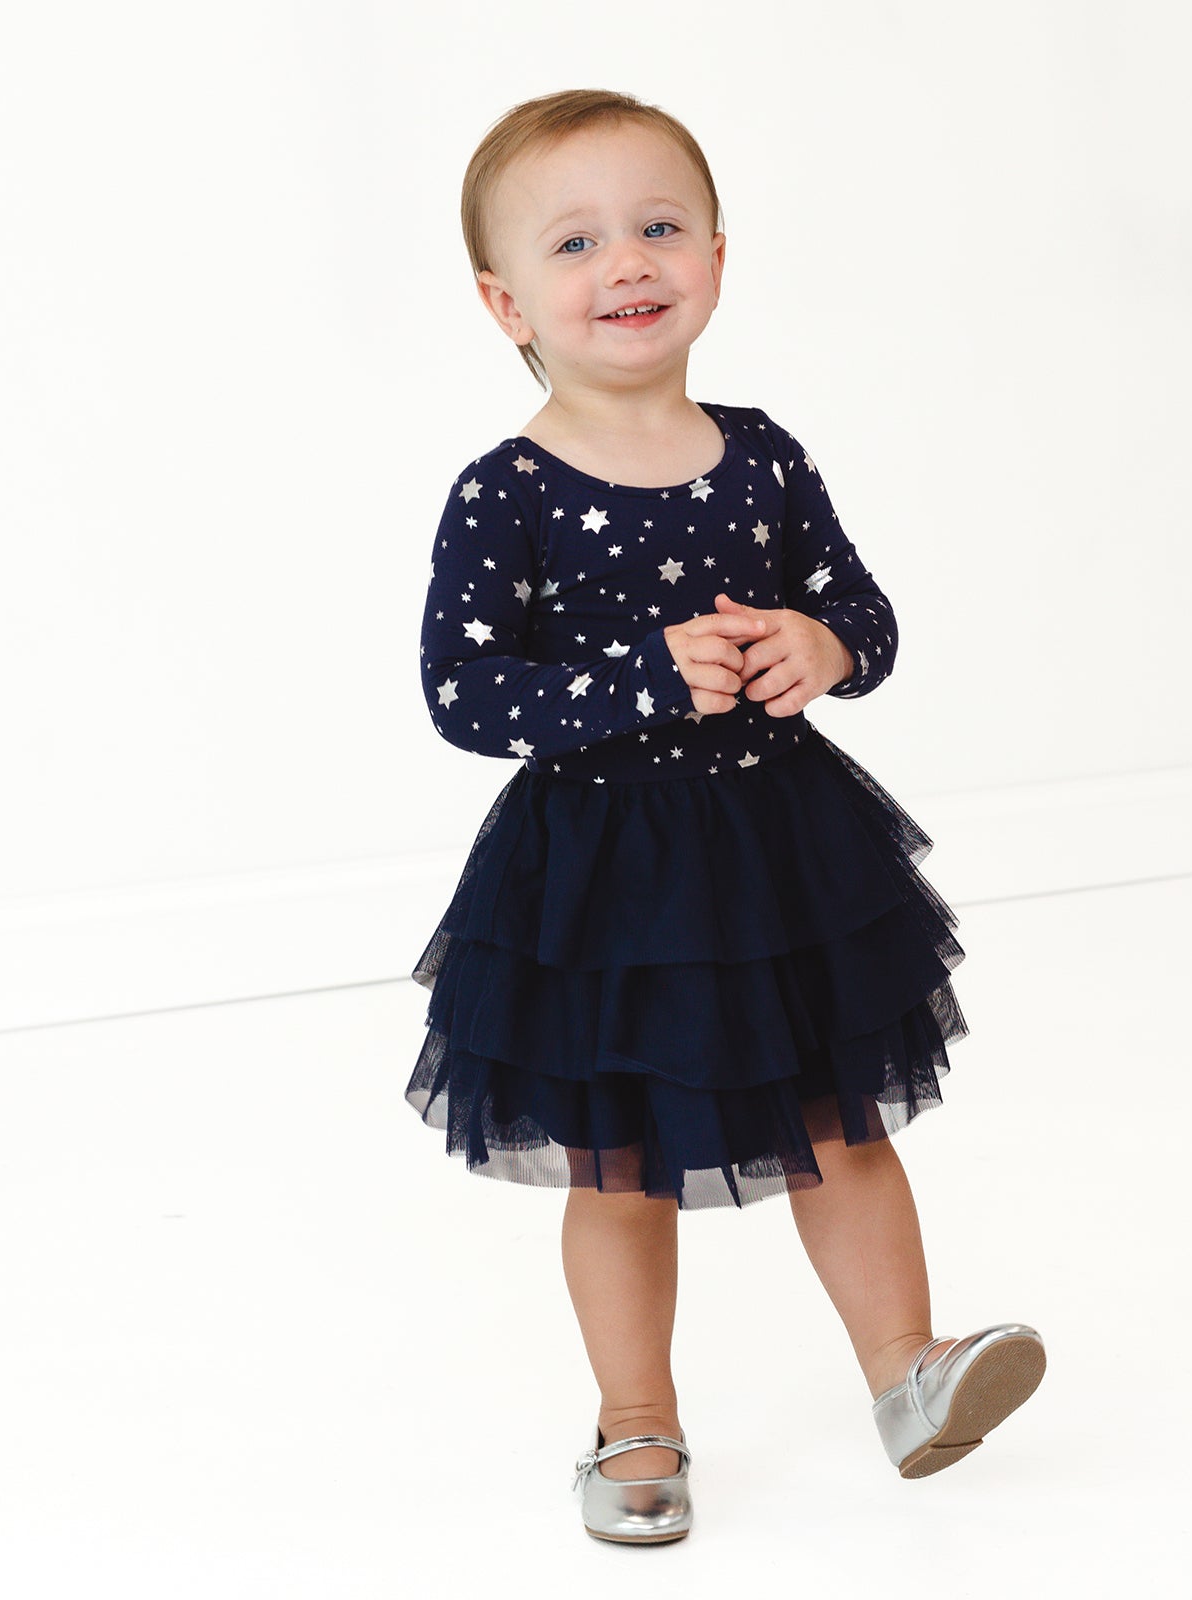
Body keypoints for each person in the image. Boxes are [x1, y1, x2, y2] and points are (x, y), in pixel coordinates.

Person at [405, 88, 1045, 1544]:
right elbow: (463, 692)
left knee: (846, 1121)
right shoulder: (504, 491)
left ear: (715, 255)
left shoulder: (759, 455)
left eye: (659, 227)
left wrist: (825, 651)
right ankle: (635, 1426)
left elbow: (861, 611)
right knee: (620, 1163)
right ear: (506, 300)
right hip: (602, 883)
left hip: (780, 857)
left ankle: (909, 1371)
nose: (625, 262)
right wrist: (637, 678)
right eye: (575, 242)